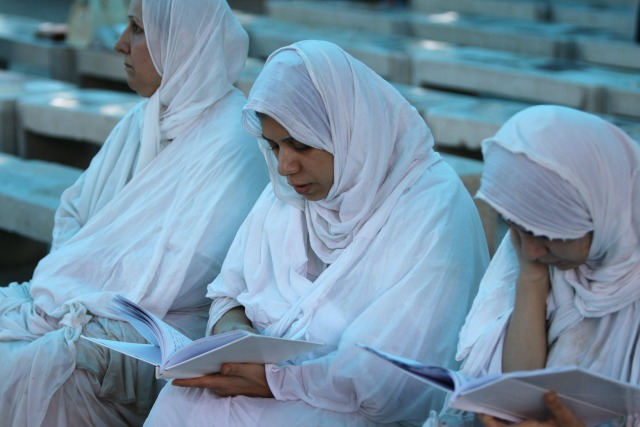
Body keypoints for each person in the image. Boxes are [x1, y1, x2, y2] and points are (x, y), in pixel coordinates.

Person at [144, 39, 489, 427]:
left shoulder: (431, 208)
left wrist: (277, 380)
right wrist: (235, 335)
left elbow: (394, 380)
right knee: (185, 400)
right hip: (265, 386)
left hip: (351, 410)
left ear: (349, 133)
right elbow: (228, 292)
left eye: (302, 145)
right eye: (274, 146)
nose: (286, 166)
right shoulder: (289, 191)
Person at [0, 0, 268, 425]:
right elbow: (74, 211)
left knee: (34, 366)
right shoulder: (143, 119)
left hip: (164, 329)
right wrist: (80, 286)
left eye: (137, 30)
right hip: (88, 302)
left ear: (180, 44)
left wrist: (86, 288)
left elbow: (191, 272)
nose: (121, 44)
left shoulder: (235, 139)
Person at [434, 105, 640, 426]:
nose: (531, 249)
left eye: (545, 233)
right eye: (516, 227)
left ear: (601, 208)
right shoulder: (535, 243)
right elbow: (520, 390)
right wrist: (531, 281)